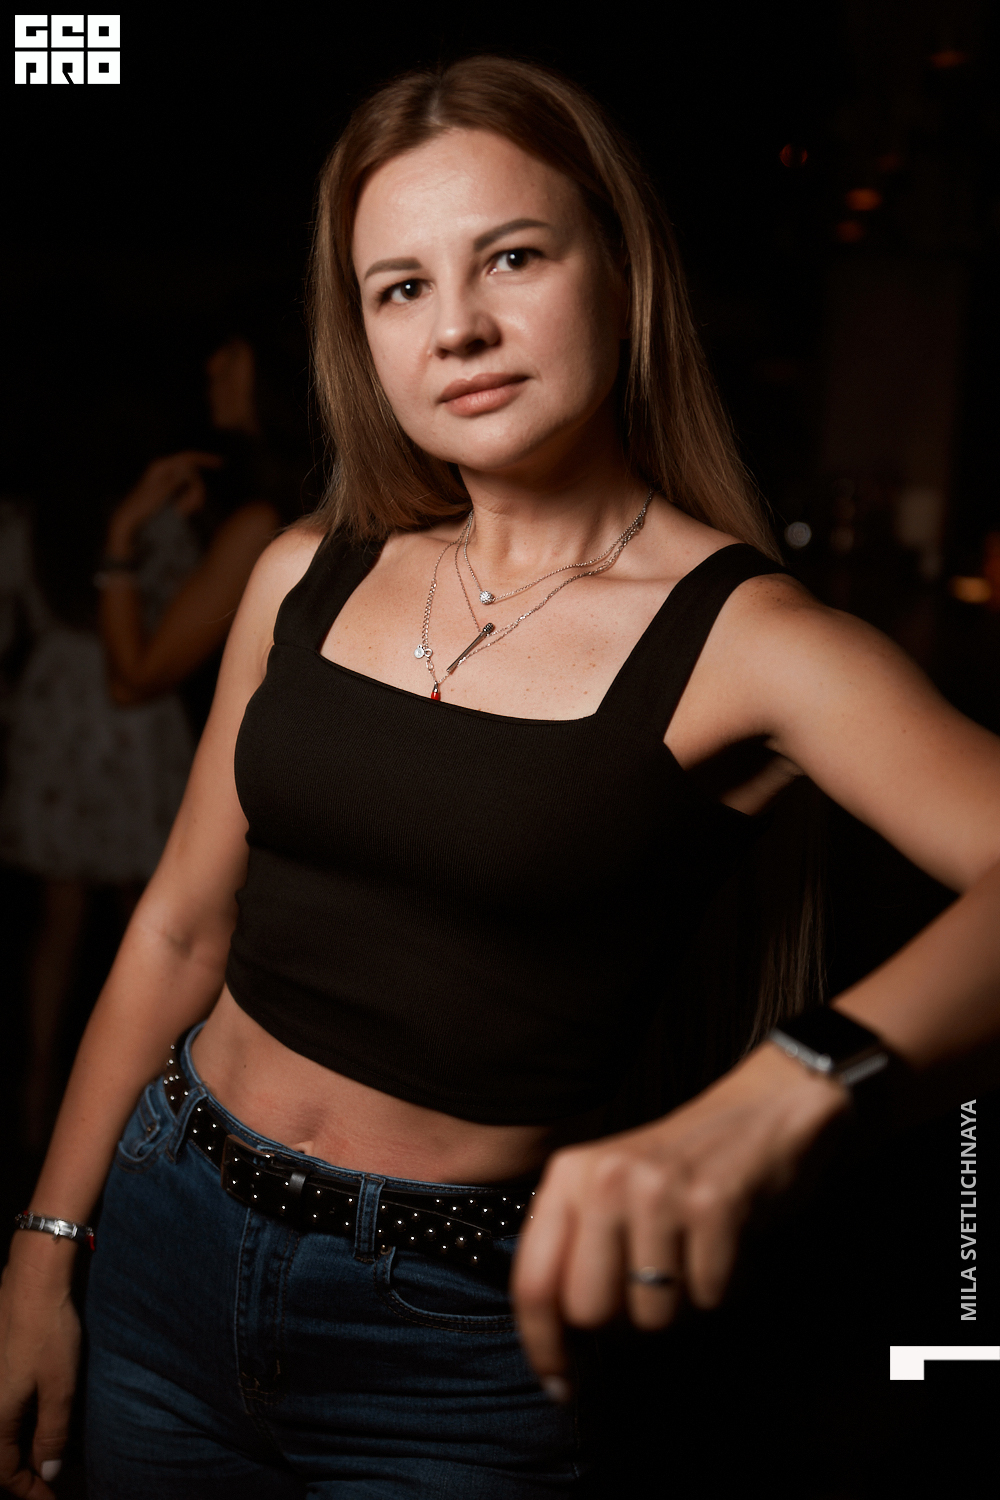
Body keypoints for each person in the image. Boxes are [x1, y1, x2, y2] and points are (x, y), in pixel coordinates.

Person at [1, 54, 999, 1498]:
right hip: (161, 1234)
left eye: (512, 257)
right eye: (399, 287)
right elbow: (175, 929)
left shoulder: (751, 640)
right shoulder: (304, 570)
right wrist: (45, 1247)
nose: (457, 326)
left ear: (622, 273)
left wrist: (788, 1091)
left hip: (454, 1344)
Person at [0, 325, 290, 1152]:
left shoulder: (46, 520)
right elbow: (153, 647)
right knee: (154, 918)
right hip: (129, 728)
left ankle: (66, 1097)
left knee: (123, 924)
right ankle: (133, 1110)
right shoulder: (202, 515)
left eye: (230, 354)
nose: (210, 370)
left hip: (74, 716)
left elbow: (140, 662)